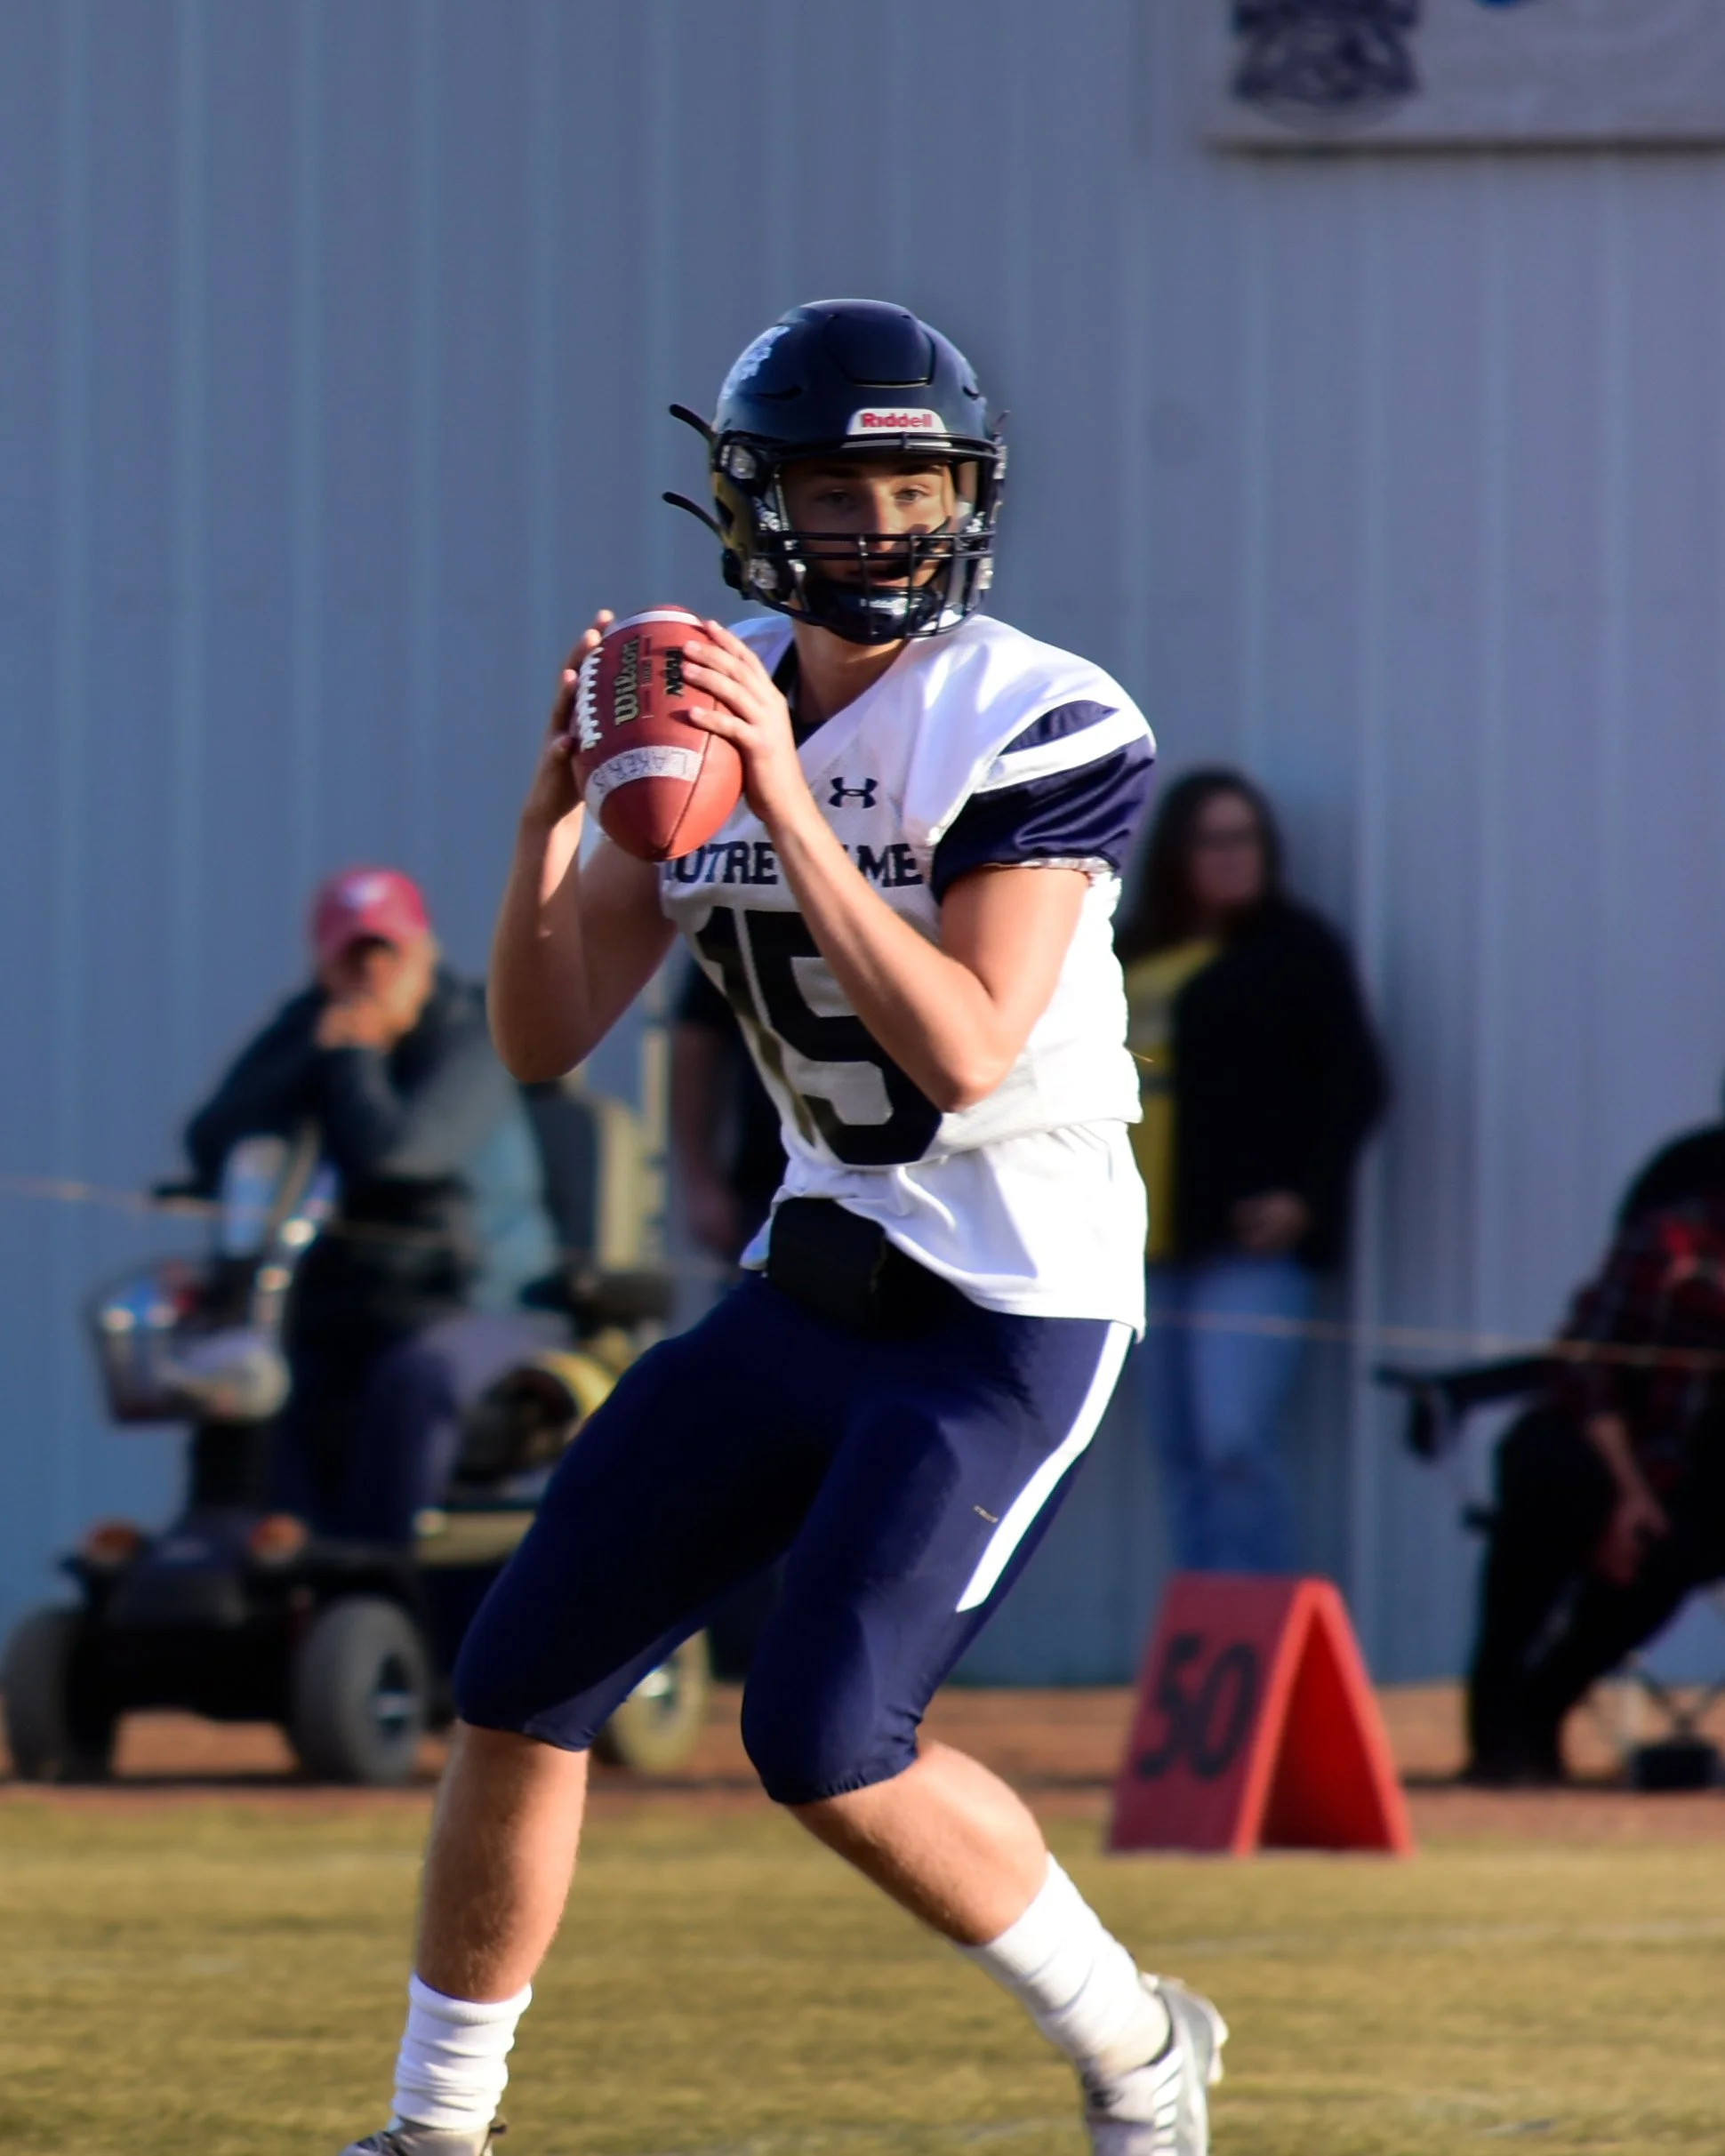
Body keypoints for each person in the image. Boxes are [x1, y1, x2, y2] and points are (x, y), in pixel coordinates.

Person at [334, 299, 1226, 2156]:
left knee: (824, 1742)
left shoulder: (1040, 712)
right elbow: (538, 1034)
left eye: (915, 483)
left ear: (967, 497)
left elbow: (967, 1049)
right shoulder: (712, 694)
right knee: (518, 1673)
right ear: (757, 503)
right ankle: (434, 2132)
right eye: (840, 485)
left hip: (1007, 1309)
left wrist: (792, 811)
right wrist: (544, 839)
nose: (882, 523)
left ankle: (1142, 2050)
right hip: (812, 1279)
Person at [183, 867, 558, 1543]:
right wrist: (319, 1053)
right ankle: (288, 1579)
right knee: (255, 1380)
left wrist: (354, 1055)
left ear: (424, 954)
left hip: (484, 1306)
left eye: (388, 954)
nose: (372, 976)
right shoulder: (312, 1028)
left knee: (414, 1382)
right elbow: (213, 1137)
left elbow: (401, 1154)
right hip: (345, 1310)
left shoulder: (477, 1031)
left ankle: (383, 1578)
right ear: (322, 967)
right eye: (352, 959)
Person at [1116, 770, 1385, 1575]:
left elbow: (1358, 1083)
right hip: (1140, 1242)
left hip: (1245, 1242)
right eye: (1215, 840)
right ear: (1176, 852)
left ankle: (1258, 1637)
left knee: (1234, 1439)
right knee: (1181, 1451)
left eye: (1248, 839)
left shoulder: (1298, 951)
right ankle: (1206, 1645)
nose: (1235, 857)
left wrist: (1305, 1196)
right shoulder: (1131, 948)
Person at [1465, 1142, 1725, 1785]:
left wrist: (1652, 1503)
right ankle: (1495, 1734)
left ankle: (1543, 1705)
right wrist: (1627, 1492)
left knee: (1678, 1548)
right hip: (1597, 1441)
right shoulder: (1673, 1238)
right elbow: (1587, 1362)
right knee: (1550, 1485)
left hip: (1694, 1469)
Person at [669, 958, 787, 1267]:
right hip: (768, 1193)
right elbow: (695, 1042)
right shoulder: (742, 914)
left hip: (910, 1186)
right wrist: (701, 1182)